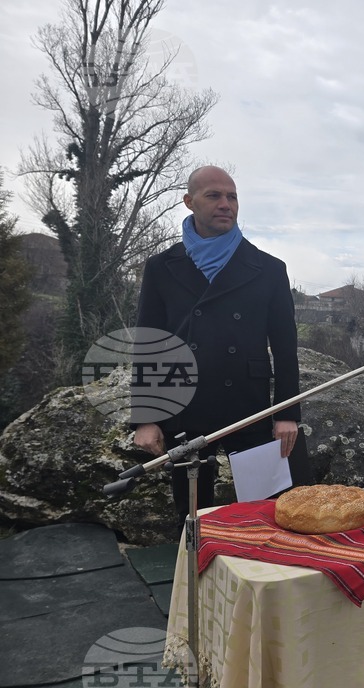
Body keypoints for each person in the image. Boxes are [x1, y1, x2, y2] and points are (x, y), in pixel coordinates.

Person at [132, 165, 308, 529]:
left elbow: (286, 345)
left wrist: (287, 412)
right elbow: (149, 342)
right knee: (192, 516)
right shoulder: (161, 267)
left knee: (266, 514)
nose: (226, 204)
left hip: (251, 405)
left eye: (232, 196)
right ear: (189, 202)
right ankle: (197, 580)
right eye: (214, 195)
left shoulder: (269, 268)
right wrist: (146, 417)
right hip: (185, 405)